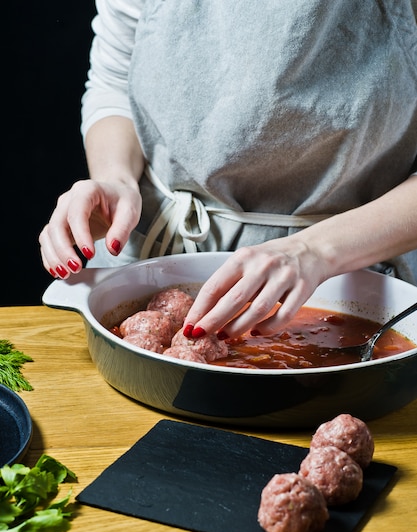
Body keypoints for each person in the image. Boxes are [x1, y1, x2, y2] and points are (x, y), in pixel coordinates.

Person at [39, 0, 417, 341]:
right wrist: (115, 177)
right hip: (154, 254)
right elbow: (115, 80)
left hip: (346, 276)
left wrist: (313, 250)